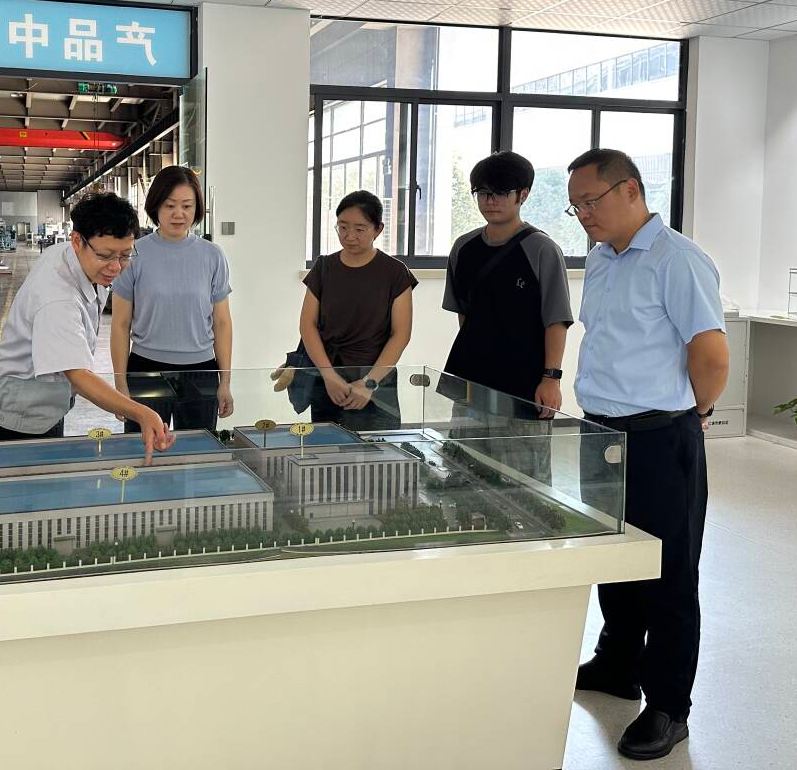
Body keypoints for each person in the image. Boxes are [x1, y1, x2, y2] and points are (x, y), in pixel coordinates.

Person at [566, 149, 729, 761]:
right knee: (616, 555)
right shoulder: (601, 258)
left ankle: (668, 704)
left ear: (631, 190)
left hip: (661, 435)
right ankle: (617, 663)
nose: (584, 214)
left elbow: (710, 355)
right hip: (601, 431)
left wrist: (694, 414)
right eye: (575, 206)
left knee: (669, 571)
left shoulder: (676, 259)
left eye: (591, 201)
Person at [0, 192, 175, 459]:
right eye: (106, 255)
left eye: (126, 255)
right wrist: (141, 413)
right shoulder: (57, 297)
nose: (116, 267)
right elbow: (79, 376)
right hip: (18, 415)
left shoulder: (72, 256)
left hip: (48, 402)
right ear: (77, 241)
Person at [441, 152, 574, 481]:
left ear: (522, 195)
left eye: (500, 192)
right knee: (464, 472)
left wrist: (552, 378)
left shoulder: (542, 249)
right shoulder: (463, 248)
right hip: (471, 382)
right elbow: (465, 315)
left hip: (524, 385)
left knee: (523, 481)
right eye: (483, 192)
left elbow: (556, 320)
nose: (490, 201)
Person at [111, 165, 233, 433]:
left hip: (201, 370)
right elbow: (120, 325)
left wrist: (225, 381)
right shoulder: (134, 254)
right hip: (146, 370)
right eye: (169, 205)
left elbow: (222, 323)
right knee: (146, 449)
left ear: (197, 209)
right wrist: (120, 384)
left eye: (187, 206)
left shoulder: (213, 255)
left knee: (198, 451)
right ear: (156, 206)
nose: (179, 214)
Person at [299, 190, 416, 430]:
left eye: (360, 229)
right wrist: (329, 376)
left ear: (378, 229)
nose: (349, 236)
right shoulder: (324, 267)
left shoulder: (395, 273)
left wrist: (369, 383)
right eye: (342, 227)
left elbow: (401, 335)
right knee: (326, 447)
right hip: (328, 379)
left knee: (377, 450)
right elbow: (307, 326)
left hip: (376, 380)